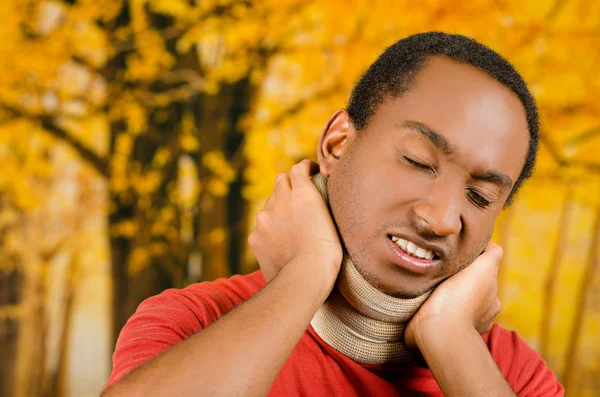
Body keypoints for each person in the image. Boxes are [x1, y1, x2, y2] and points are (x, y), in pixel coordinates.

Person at [102, 32, 564, 396]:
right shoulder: (191, 321)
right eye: (419, 163)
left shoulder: (509, 372)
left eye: (481, 197)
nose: (441, 218)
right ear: (337, 143)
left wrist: (449, 337)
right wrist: (307, 272)